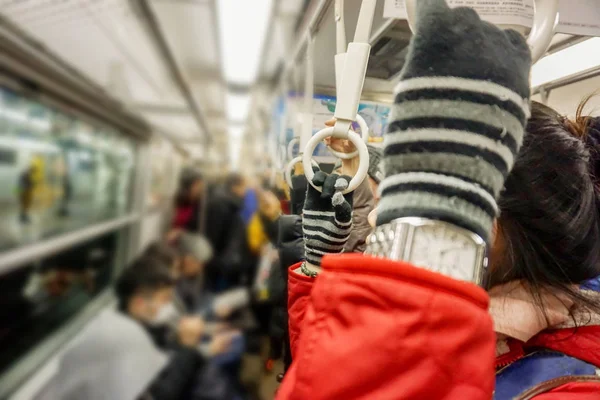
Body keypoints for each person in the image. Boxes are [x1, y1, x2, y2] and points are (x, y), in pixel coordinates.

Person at [278, 1, 600, 398]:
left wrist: (428, 249)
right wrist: (317, 267)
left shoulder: (571, 389)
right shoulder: (492, 325)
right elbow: (327, 371)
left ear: (485, 224)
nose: (378, 218)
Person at [115, 258, 236, 400]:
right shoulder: (125, 347)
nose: (169, 306)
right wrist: (188, 347)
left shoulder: (151, 327)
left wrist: (198, 349)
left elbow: (169, 359)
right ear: (139, 303)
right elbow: (162, 394)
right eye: (165, 299)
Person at [203, 173, 253, 292]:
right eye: (243, 187)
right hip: (222, 263)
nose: (246, 191)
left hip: (225, 260)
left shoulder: (230, 202)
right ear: (235, 187)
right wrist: (218, 262)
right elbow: (214, 235)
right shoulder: (222, 205)